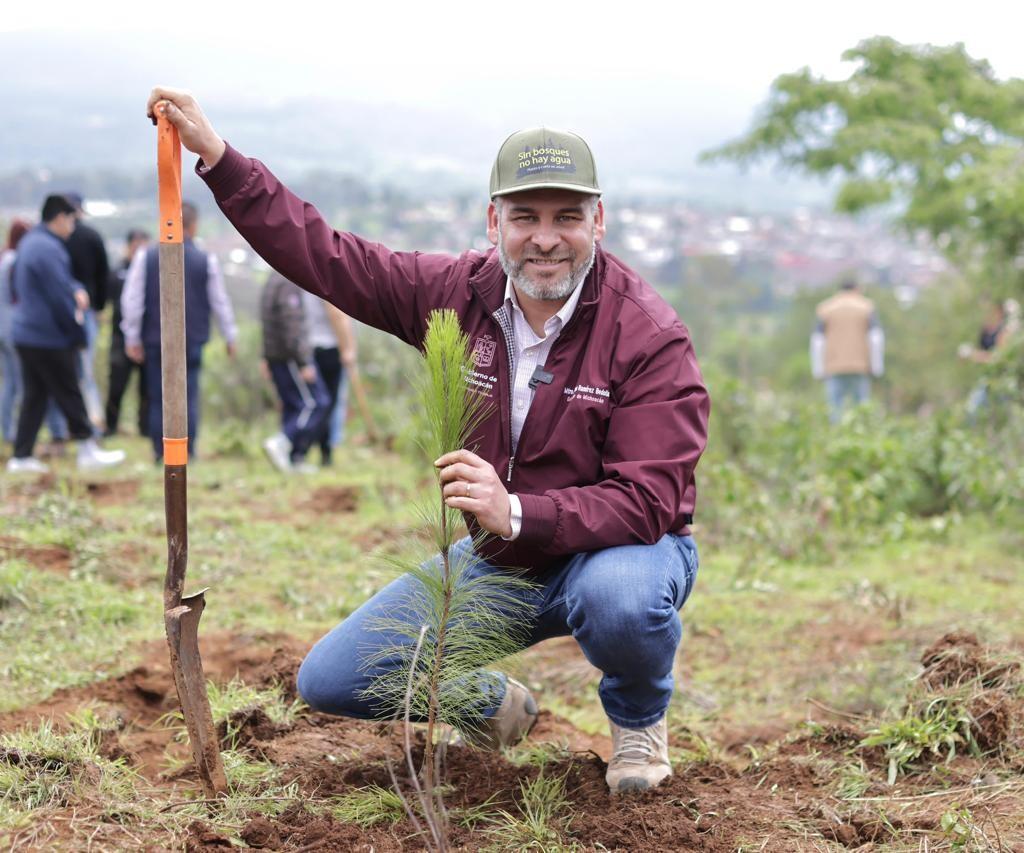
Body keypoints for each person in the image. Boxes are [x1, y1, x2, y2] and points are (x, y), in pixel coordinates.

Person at [148, 89, 709, 794]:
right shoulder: (457, 295)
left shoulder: (647, 333)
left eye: (567, 216)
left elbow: (649, 498)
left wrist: (518, 512)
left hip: (622, 551)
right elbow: (329, 258)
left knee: (621, 599)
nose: (545, 237)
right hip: (508, 560)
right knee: (333, 677)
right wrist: (220, 159)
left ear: (598, 221)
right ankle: (496, 707)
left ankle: (636, 726)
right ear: (492, 220)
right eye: (524, 216)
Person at [6, 195, 125, 473]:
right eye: (71, 219)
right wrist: (77, 334)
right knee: (69, 389)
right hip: (47, 335)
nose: (73, 225)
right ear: (59, 218)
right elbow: (60, 298)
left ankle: (21, 457)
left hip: (29, 333)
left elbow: (60, 286)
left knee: (35, 395)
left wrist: (74, 288)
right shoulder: (47, 249)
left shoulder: (33, 243)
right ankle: (87, 449)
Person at [121, 201, 238, 462]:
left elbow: (133, 300)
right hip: (192, 338)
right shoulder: (205, 260)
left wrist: (132, 336)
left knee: (157, 396)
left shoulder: (146, 256)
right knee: (189, 395)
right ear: (194, 225)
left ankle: (159, 452)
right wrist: (230, 335)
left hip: (155, 338)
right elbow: (219, 301)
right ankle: (188, 451)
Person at [260, 271, 331, 472]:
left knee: (294, 405)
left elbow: (268, 322)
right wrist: (304, 362)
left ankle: (293, 460)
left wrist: (265, 356)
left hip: (277, 356)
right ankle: (283, 441)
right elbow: (291, 325)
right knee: (315, 403)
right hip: (290, 357)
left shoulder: (273, 279)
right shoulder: (287, 282)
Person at [63, 192, 110, 432]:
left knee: (63, 373)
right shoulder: (92, 236)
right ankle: (93, 426)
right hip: (88, 311)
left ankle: (65, 428)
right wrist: (100, 306)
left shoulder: (56, 239)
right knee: (86, 373)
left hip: (60, 313)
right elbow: (104, 275)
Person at [810, 276, 884, 421]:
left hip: (833, 366)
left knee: (835, 409)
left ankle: (836, 439)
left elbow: (818, 341)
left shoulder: (826, 308)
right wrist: (877, 366)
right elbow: (876, 338)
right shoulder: (867, 307)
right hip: (860, 365)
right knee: (862, 409)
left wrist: (818, 369)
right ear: (857, 289)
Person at [105, 229, 151, 437]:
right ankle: (110, 427)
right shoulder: (117, 271)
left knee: (147, 389)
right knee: (117, 386)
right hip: (120, 337)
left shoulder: (151, 271)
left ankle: (145, 428)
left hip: (147, 337)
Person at [302, 289, 356, 464]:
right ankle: (319, 451)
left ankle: (320, 450)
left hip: (311, 348)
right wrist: (347, 348)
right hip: (329, 349)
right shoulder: (326, 284)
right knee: (328, 403)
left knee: (321, 402)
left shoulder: (306, 282)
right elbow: (337, 315)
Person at [959, 297, 1020, 415]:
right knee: (972, 411)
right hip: (989, 379)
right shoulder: (984, 331)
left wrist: (972, 354)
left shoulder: (1005, 329)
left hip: (1004, 379)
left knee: (1004, 412)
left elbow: (998, 357)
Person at [1, 219, 32, 448]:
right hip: (13, 329)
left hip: (2, 328)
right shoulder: (15, 260)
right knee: (21, 383)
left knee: (10, 382)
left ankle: (8, 430)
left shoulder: (4, 258)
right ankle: (20, 434)